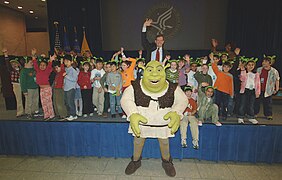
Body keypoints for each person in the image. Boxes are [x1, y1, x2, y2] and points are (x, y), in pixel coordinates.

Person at [121, 61, 187, 177]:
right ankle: (136, 161)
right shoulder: (135, 85)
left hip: (162, 122)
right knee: (138, 141)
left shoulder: (172, 87)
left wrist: (176, 112)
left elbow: (182, 100)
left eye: (158, 70)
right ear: (144, 71)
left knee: (164, 142)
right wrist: (132, 113)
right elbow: (126, 99)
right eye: (150, 70)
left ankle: (167, 162)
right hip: (141, 121)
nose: (155, 74)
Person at [32, 48, 55, 120]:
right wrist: (33, 54)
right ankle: (46, 115)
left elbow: (49, 65)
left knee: (49, 102)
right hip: (41, 89)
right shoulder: (38, 70)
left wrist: (51, 60)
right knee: (43, 102)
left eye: (44, 65)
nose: (42, 66)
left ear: (46, 66)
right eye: (41, 65)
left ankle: (51, 115)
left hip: (47, 89)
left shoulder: (47, 71)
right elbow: (35, 63)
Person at [255, 55, 280, 120]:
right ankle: (255, 113)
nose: (263, 63)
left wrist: (276, 88)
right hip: (259, 89)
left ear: (270, 63)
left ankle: (268, 115)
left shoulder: (274, 71)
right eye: (263, 61)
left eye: (266, 61)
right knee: (257, 102)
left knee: (268, 103)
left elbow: (277, 80)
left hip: (268, 89)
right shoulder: (259, 69)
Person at [237, 58, 260, 124]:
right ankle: (240, 117)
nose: (250, 66)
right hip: (245, 90)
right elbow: (242, 79)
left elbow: (258, 84)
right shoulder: (244, 72)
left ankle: (251, 117)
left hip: (252, 91)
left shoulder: (256, 74)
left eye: (252, 65)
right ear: (246, 66)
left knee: (251, 105)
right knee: (242, 104)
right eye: (249, 65)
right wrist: (243, 70)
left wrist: (257, 92)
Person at [211, 54, 234, 121]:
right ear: (222, 67)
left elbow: (231, 85)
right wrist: (212, 59)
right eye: (225, 67)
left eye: (228, 67)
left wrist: (231, 94)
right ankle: (216, 115)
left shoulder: (230, 76)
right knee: (217, 104)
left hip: (226, 93)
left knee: (225, 105)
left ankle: (224, 115)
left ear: (230, 68)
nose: (226, 68)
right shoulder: (219, 73)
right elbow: (214, 67)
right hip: (218, 91)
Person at [63, 54, 78, 121]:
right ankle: (70, 114)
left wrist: (66, 76)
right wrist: (63, 84)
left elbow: (75, 79)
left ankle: (73, 114)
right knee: (66, 102)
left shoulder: (73, 70)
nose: (66, 63)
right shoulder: (66, 69)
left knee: (70, 102)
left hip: (71, 88)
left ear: (71, 62)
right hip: (66, 87)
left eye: (67, 61)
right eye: (65, 61)